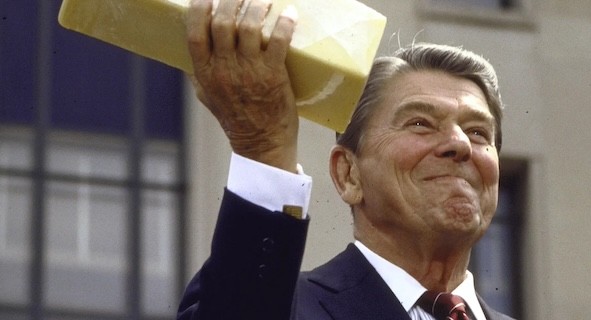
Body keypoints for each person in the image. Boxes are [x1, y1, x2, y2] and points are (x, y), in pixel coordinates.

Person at [178, 0, 514, 319]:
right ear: (348, 174)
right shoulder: (290, 309)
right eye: (420, 123)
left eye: (477, 133)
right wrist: (264, 149)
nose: (459, 143)